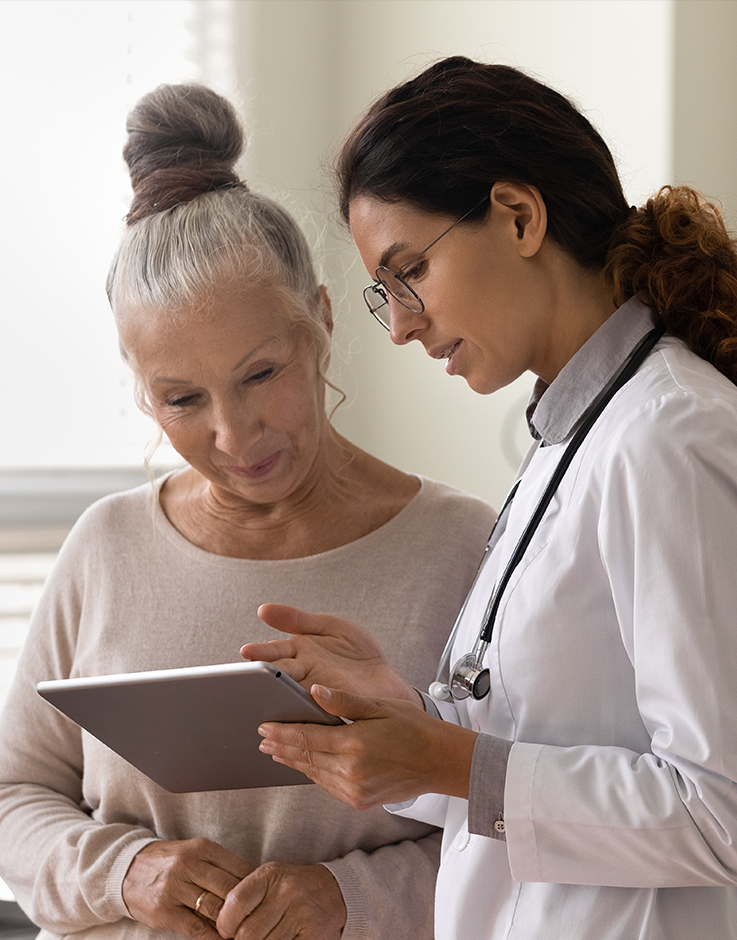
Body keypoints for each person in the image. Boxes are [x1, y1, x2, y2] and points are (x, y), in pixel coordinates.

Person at [246, 56, 737, 939]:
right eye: (383, 294)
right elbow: (546, 760)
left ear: (518, 217)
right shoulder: (570, 440)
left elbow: (727, 816)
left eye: (410, 274)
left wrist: (455, 760)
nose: (400, 325)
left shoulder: (670, 436)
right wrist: (409, 725)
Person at [0, 83, 497, 940]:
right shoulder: (106, 546)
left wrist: (352, 898)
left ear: (322, 322)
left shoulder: (467, 548)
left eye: (260, 374)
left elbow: (515, 816)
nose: (237, 435)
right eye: (182, 399)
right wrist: (127, 872)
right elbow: (15, 796)